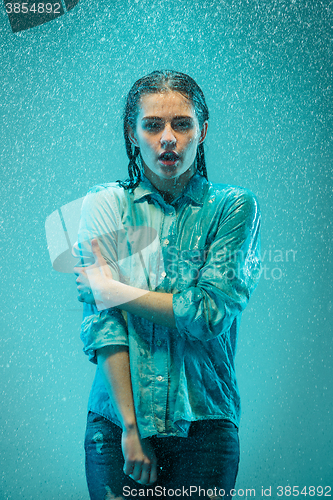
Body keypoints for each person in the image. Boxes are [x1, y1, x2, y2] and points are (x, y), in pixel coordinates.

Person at [73, 70, 261, 500]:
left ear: (202, 130)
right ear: (132, 132)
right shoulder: (105, 206)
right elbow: (104, 326)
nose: (168, 137)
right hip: (117, 425)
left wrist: (113, 290)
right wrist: (131, 428)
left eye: (182, 123)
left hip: (205, 426)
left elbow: (209, 312)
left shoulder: (233, 208)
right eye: (153, 125)